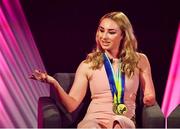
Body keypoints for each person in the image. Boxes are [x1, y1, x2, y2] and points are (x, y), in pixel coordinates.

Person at [30, 11, 156, 128]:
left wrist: (149, 98)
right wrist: (54, 82)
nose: (104, 37)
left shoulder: (140, 60)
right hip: (94, 120)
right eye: (101, 30)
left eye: (111, 32)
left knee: (119, 124)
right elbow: (71, 105)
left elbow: (150, 94)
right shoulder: (88, 64)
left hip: (123, 119)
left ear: (123, 35)